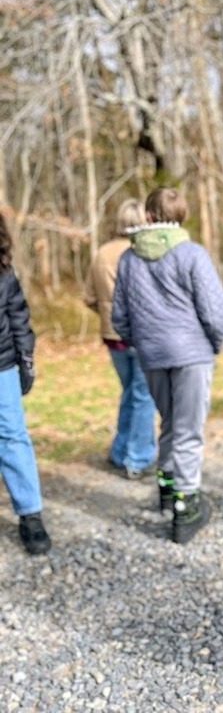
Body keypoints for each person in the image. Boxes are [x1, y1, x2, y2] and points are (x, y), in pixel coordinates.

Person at [112, 187, 223, 545]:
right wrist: (215, 342)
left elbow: (119, 315)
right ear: (181, 216)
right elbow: (214, 307)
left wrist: (142, 341)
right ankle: (185, 506)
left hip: (152, 354)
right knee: (188, 429)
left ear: (148, 216)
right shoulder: (191, 253)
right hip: (191, 353)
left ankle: (166, 486)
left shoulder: (128, 259)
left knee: (169, 422)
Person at [84, 199, 157, 479]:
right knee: (143, 396)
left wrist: (106, 313)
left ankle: (120, 451)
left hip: (112, 337)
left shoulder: (102, 253)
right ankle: (137, 459)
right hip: (140, 336)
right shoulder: (142, 251)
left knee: (130, 392)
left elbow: (89, 296)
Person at [0, 212, 51, 555]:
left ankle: (30, 514)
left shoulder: (5, 275)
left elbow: (19, 318)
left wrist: (26, 363)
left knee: (13, 436)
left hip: (2, 367)